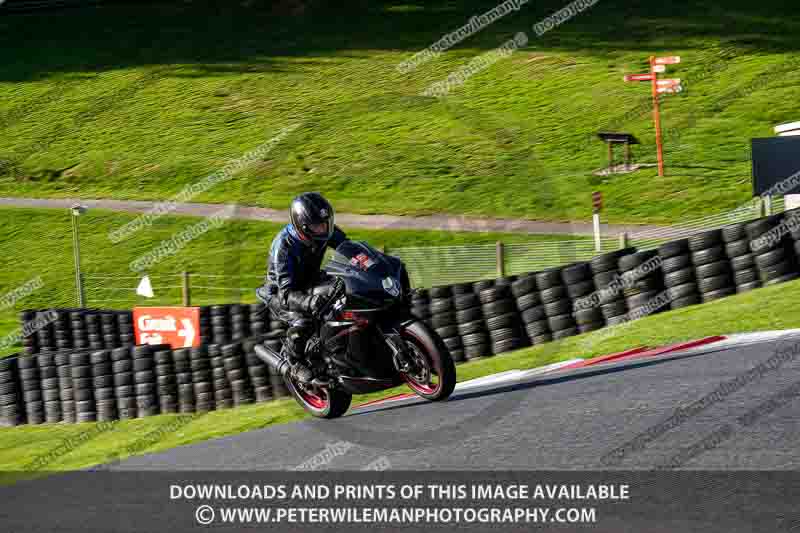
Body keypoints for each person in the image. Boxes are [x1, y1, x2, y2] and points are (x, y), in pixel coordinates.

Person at [256, 192, 348, 384]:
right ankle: (294, 359)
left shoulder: (325, 231)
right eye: (317, 225)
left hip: (311, 280)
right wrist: (308, 301)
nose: (324, 229)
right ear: (302, 226)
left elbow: (348, 248)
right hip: (283, 292)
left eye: (326, 222)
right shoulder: (283, 246)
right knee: (304, 321)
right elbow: (286, 293)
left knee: (346, 288)